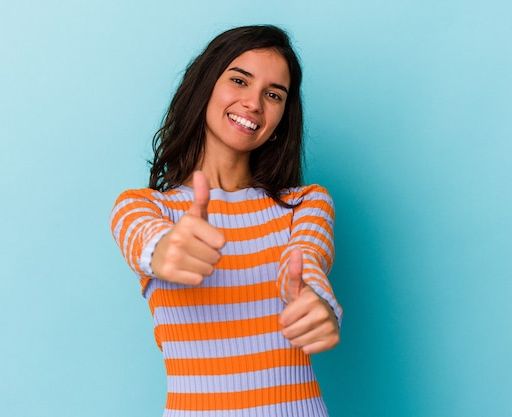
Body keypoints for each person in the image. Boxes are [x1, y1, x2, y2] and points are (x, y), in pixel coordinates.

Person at [110, 24, 343, 416]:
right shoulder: (144, 209)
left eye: (273, 95)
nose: (254, 103)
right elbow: (146, 239)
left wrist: (317, 303)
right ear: (204, 88)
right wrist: (165, 249)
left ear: (282, 119)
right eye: (239, 80)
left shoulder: (305, 204)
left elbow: (307, 259)